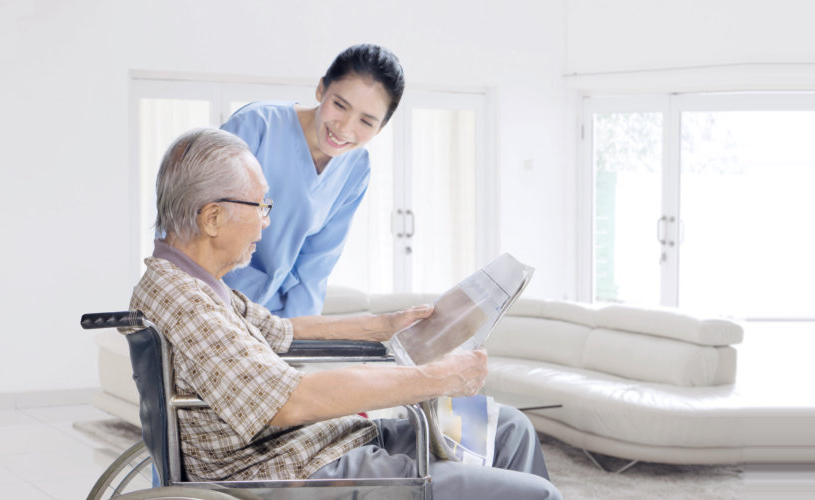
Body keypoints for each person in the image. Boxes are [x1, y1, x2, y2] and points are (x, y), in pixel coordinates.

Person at [130, 127, 558, 499]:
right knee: (537, 494)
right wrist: (438, 379)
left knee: (509, 429)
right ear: (212, 217)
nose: (266, 222)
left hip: (311, 447)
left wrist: (383, 326)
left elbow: (283, 332)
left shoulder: (196, 283)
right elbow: (291, 402)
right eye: (260, 206)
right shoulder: (185, 302)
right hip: (291, 473)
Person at [221, 43, 406, 317]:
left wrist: (299, 340)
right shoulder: (256, 126)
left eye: (366, 121)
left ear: (381, 128)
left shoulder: (356, 168)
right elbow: (190, 220)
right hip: (212, 300)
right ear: (321, 89)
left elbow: (316, 265)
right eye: (340, 105)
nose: (344, 128)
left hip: (275, 314)